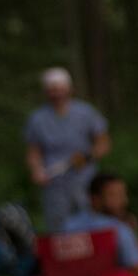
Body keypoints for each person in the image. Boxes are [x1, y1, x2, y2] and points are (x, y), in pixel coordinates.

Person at [24, 67, 111, 232]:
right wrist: (37, 170)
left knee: (93, 224)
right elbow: (33, 152)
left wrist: (88, 157)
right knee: (58, 229)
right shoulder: (37, 119)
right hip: (54, 183)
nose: (57, 94)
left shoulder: (85, 113)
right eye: (52, 90)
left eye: (60, 89)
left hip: (84, 180)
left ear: (69, 89)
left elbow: (103, 142)